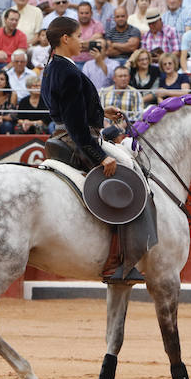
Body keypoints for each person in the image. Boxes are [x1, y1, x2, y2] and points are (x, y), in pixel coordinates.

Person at [40, 16, 142, 284]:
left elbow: (66, 110)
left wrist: (99, 111)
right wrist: (100, 155)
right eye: (77, 36)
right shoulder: (70, 72)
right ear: (65, 39)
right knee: (128, 177)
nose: (81, 40)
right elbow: (76, 127)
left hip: (63, 134)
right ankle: (117, 260)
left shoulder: (53, 65)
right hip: (79, 140)